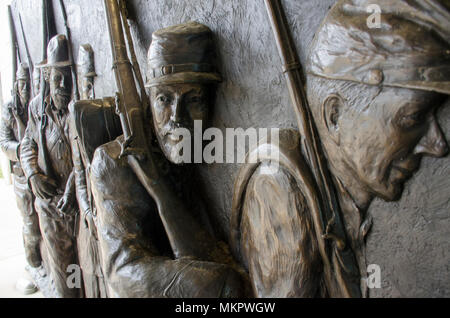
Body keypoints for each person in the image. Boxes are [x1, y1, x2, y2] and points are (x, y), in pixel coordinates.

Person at [232, 0, 449, 298]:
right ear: (334, 116)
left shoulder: (349, 208)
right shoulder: (280, 191)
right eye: (412, 117)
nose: (438, 144)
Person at [90, 21, 247, 297]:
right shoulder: (111, 162)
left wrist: (158, 188)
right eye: (164, 99)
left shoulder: (199, 150)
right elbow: (122, 273)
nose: (177, 118)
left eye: (194, 100)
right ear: (148, 100)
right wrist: (220, 284)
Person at [21, 34, 81, 298]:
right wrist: (33, 173)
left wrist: (72, 189)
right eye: (57, 77)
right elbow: (27, 145)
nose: (62, 85)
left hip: (76, 201)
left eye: (67, 77)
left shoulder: (77, 109)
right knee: (63, 270)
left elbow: (84, 154)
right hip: (49, 205)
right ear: (47, 78)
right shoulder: (37, 109)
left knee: (85, 267)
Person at [0, 63, 42, 294]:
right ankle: (34, 264)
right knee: (30, 224)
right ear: (16, 85)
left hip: (41, 173)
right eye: (22, 84)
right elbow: (4, 144)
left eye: (29, 83)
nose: (26, 88)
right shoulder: (9, 109)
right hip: (20, 177)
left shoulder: (36, 106)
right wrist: (24, 151)